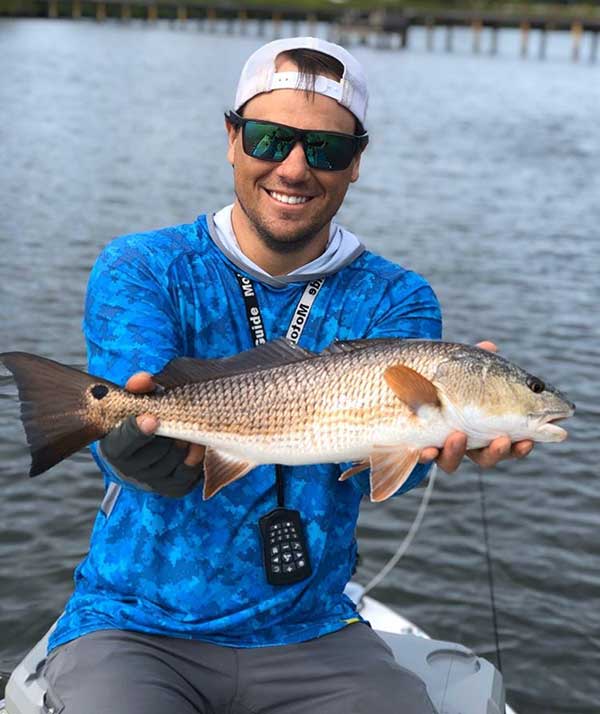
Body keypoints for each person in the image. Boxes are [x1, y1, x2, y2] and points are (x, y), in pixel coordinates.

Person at [41, 37, 533, 714]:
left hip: (313, 630)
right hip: (136, 624)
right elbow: (139, 441)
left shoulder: (400, 297)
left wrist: (436, 449)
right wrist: (134, 441)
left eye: (326, 149)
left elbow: (390, 466)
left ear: (357, 162)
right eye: (271, 138)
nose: (295, 168)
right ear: (232, 139)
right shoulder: (144, 267)